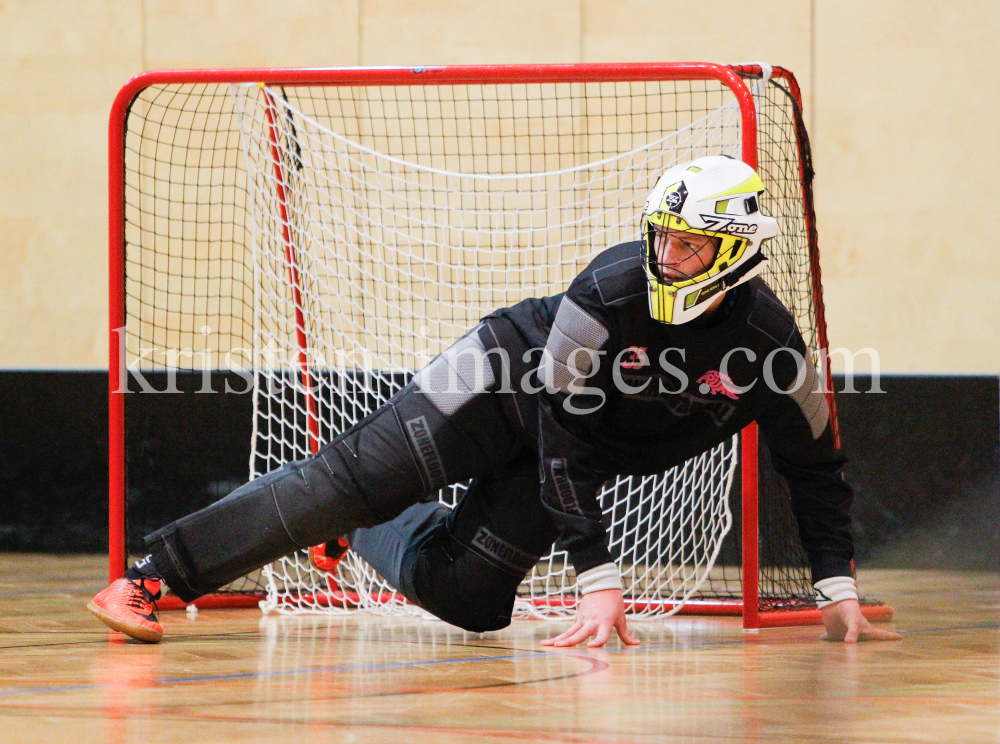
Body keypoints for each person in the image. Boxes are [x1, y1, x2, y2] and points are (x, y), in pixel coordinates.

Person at [88, 155, 902, 647]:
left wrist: (835, 583)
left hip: (570, 452)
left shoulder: (776, 352)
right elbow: (559, 425)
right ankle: (154, 577)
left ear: (735, 256)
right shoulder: (605, 289)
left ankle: (362, 532)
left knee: (472, 602)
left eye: (689, 245)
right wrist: (597, 573)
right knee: (351, 476)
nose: (667, 255)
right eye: (662, 235)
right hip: (498, 376)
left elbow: (818, 470)